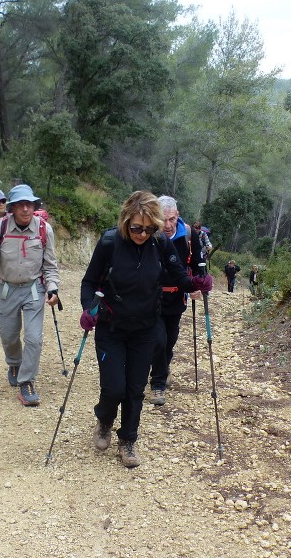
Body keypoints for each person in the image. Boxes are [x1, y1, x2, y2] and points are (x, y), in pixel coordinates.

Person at [79, 191, 213, 467]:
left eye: (149, 228)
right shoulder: (109, 242)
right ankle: (104, 420)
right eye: (136, 228)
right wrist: (88, 309)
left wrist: (197, 283)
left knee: (136, 388)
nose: (142, 234)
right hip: (112, 327)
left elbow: (178, 277)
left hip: (145, 328)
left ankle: (128, 440)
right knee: (114, 388)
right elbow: (89, 282)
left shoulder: (161, 243)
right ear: (126, 221)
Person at [0, 183, 59, 406]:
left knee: (33, 338)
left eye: (29, 204)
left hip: (33, 288)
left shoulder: (44, 229)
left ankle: (26, 381)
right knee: (9, 335)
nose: (25, 209)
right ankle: (14, 362)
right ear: (12, 208)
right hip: (7, 288)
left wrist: (52, 287)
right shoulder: (0, 228)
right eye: (20, 205)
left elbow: (50, 265)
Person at [149, 195, 205, 406]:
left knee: (170, 340)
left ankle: (163, 367)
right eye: (164, 220)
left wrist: (198, 285)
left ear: (177, 216)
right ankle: (157, 384)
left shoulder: (189, 235)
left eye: (172, 219)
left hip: (177, 297)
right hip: (152, 297)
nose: (168, 225)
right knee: (159, 340)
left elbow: (200, 263)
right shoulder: (149, 235)